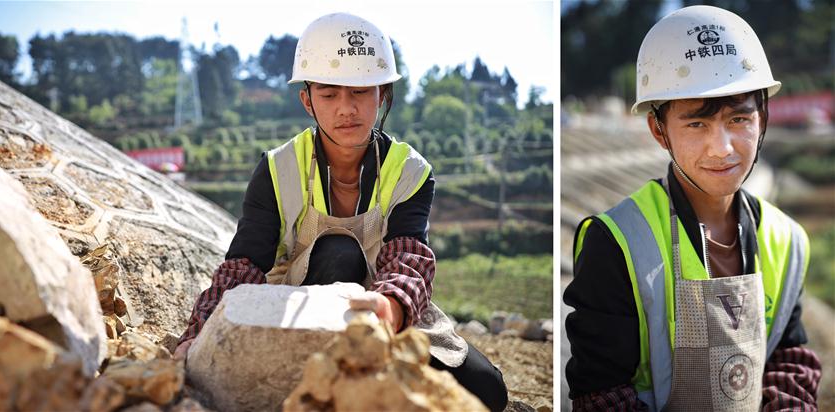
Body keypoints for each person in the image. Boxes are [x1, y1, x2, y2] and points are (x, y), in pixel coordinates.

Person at [175, 13, 507, 411]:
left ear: (382, 94)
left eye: (360, 93)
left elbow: (408, 257)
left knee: (486, 389)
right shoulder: (278, 168)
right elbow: (243, 264)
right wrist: (197, 336)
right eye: (330, 95)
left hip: (382, 305)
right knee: (339, 252)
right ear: (307, 100)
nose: (346, 109)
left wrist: (392, 307)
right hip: (298, 308)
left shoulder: (409, 170)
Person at [564, 6, 821, 411]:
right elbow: (601, 394)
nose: (722, 148)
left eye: (738, 118)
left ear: (764, 116)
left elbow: (787, 362)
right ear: (659, 130)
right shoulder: (618, 242)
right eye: (697, 124)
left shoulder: (786, 240)